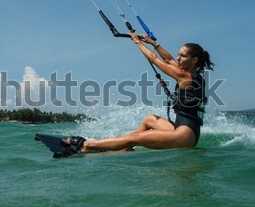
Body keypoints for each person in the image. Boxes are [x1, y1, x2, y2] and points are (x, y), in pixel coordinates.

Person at [63, 32, 214, 156]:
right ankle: (124, 148)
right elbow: (167, 59)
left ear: (194, 60)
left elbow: (155, 59)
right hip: (181, 128)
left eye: (182, 56)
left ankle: (86, 146)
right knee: (149, 119)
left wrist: (137, 42)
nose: (178, 59)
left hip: (184, 136)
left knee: (133, 138)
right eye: (178, 55)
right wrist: (153, 43)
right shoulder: (190, 73)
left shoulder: (185, 77)